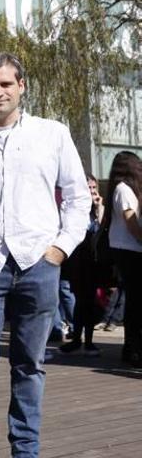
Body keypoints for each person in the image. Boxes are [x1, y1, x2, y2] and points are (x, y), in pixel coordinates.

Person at [0, 52, 91, 457]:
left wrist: (60, 248)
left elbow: (78, 199)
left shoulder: (53, 134)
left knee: (30, 365)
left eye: (6, 83)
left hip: (38, 264)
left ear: (21, 86)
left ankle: (24, 450)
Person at [101, 151, 142, 367]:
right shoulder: (125, 190)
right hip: (130, 250)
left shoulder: (117, 189)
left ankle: (132, 347)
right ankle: (133, 348)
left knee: (134, 300)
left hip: (123, 248)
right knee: (135, 302)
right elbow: (132, 224)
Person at [59, 174, 106, 356]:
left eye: (94, 188)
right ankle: (78, 338)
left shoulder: (97, 209)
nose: (93, 192)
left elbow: (102, 230)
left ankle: (88, 340)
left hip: (93, 261)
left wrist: (99, 209)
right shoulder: (72, 208)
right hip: (77, 260)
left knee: (89, 300)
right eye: (89, 188)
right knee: (81, 300)